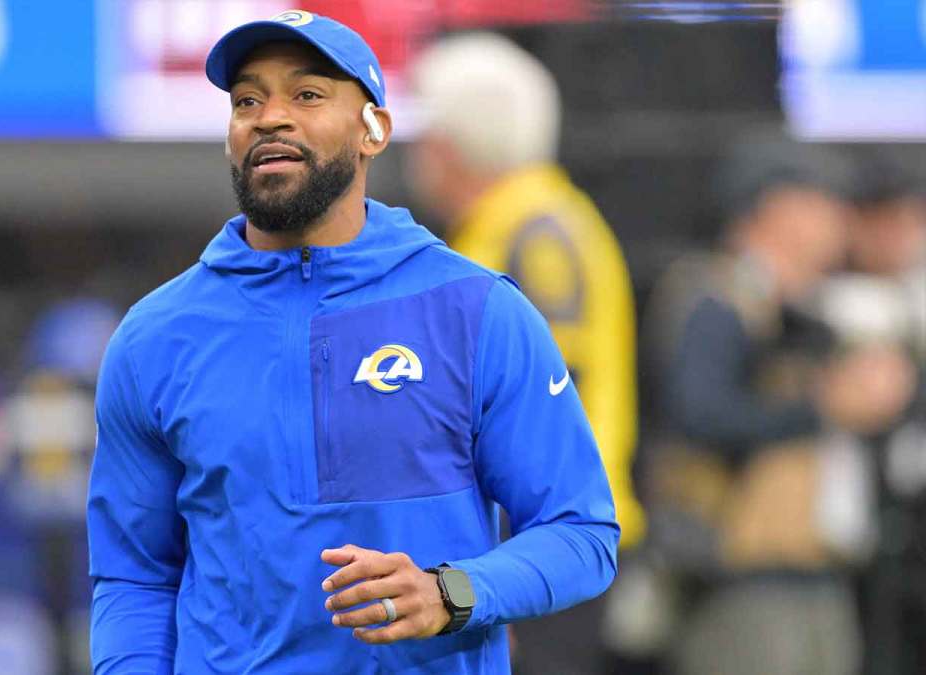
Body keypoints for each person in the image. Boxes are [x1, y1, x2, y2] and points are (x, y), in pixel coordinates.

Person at [87, 10, 618, 674]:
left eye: (307, 95)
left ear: (375, 131)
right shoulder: (153, 339)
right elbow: (133, 578)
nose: (270, 116)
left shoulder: (477, 311)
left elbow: (582, 532)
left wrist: (452, 591)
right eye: (248, 99)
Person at [408, 33, 642, 673]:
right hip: (544, 540)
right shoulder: (544, 220)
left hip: (540, 543)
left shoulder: (530, 239)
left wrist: (504, 580)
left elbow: (544, 407)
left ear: (448, 146)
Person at [646, 134, 915, 675]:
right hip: (742, 576)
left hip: (818, 569)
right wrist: (824, 407)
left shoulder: (811, 309)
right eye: (823, 203)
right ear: (777, 209)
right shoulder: (717, 298)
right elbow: (699, 413)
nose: (839, 222)